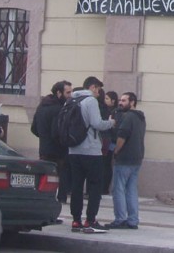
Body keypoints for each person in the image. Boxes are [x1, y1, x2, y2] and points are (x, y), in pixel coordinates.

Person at [68, 77, 114, 234]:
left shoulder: (72, 100)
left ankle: (75, 220)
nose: (99, 92)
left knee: (76, 186)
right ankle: (91, 219)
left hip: (74, 149)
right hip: (91, 150)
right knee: (95, 186)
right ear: (93, 87)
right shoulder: (90, 101)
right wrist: (110, 123)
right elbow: (96, 123)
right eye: (99, 89)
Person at [109, 91, 146, 229]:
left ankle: (120, 219)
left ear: (132, 102)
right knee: (131, 190)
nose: (120, 102)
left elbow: (121, 137)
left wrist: (116, 151)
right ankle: (133, 220)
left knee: (118, 189)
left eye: (124, 100)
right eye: (120, 100)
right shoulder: (141, 117)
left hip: (124, 158)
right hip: (137, 158)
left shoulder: (128, 117)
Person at [30, 80, 72, 203]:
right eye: (68, 92)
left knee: (45, 174)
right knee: (61, 174)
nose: (70, 95)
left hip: (44, 147)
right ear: (59, 93)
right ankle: (61, 197)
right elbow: (56, 132)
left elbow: (33, 128)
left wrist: (44, 137)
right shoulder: (59, 109)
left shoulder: (42, 106)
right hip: (58, 149)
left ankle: (44, 196)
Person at [99, 90, 118, 195]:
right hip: (108, 140)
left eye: (107, 98)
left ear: (113, 101)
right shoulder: (107, 110)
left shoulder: (113, 112)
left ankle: (105, 188)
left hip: (110, 141)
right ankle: (104, 188)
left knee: (106, 164)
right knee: (105, 164)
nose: (105, 100)